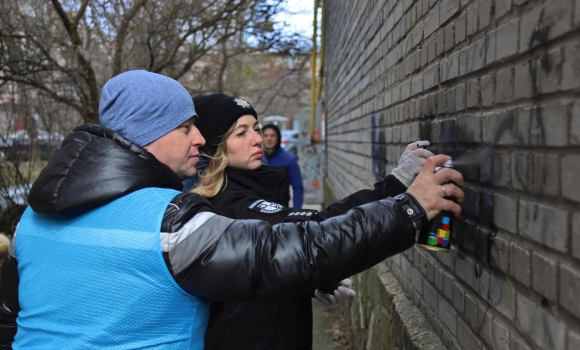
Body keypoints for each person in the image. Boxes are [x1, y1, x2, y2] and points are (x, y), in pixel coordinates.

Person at [0, 71, 464, 349]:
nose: (200, 139)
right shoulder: (169, 224)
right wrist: (409, 207)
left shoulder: (30, 223)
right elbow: (299, 247)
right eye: (185, 127)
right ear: (150, 133)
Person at [190, 93, 443, 350]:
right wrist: (398, 190)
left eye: (255, 128)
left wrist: (304, 284)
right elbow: (315, 229)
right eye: (241, 134)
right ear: (216, 148)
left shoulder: (249, 191)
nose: (257, 139)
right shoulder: (231, 206)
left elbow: (260, 270)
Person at [261, 124, 304, 208]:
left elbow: (297, 187)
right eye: (265, 135)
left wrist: (297, 212)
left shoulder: (289, 159)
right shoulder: (255, 159)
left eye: (272, 135)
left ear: (278, 138)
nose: (269, 138)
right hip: (258, 212)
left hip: (281, 210)